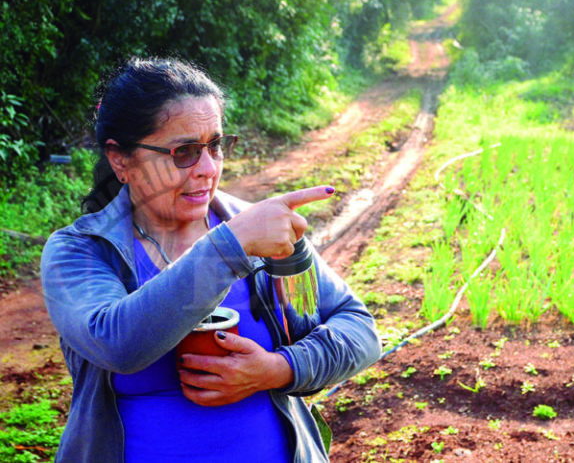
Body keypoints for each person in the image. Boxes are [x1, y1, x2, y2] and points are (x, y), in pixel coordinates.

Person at [41, 57, 381, 463]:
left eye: (215, 146)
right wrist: (229, 247)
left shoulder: (255, 229)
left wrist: (278, 368)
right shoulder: (82, 249)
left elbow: (359, 329)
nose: (207, 169)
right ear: (121, 160)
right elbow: (118, 344)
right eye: (183, 152)